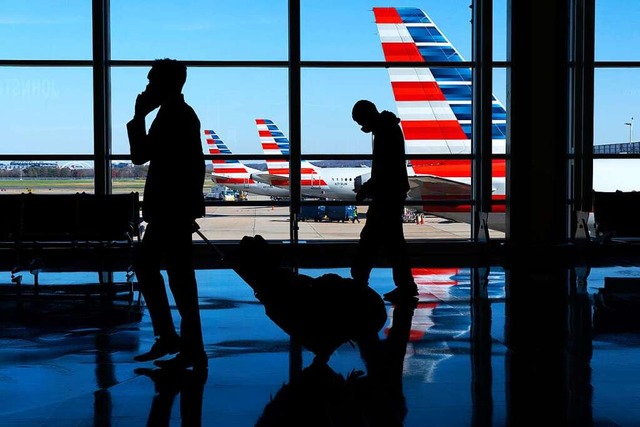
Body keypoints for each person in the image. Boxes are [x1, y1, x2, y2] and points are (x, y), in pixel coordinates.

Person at [127, 58, 207, 371]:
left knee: (157, 270)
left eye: (150, 82)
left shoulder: (173, 116)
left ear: (164, 84)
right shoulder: (178, 114)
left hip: (169, 210)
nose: (146, 88)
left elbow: (139, 156)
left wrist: (137, 117)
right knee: (178, 278)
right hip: (174, 209)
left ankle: (176, 341)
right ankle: (182, 344)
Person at [350, 99, 418, 302]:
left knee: (370, 241)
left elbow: (384, 170)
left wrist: (366, 189)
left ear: (368, 116)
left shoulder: (384, 133)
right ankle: (405, 285)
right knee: (394, 244)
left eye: (361, 122)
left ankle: (359, 281)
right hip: (392, 195)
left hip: (386, 196)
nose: (362, 127)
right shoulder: (389, 129)